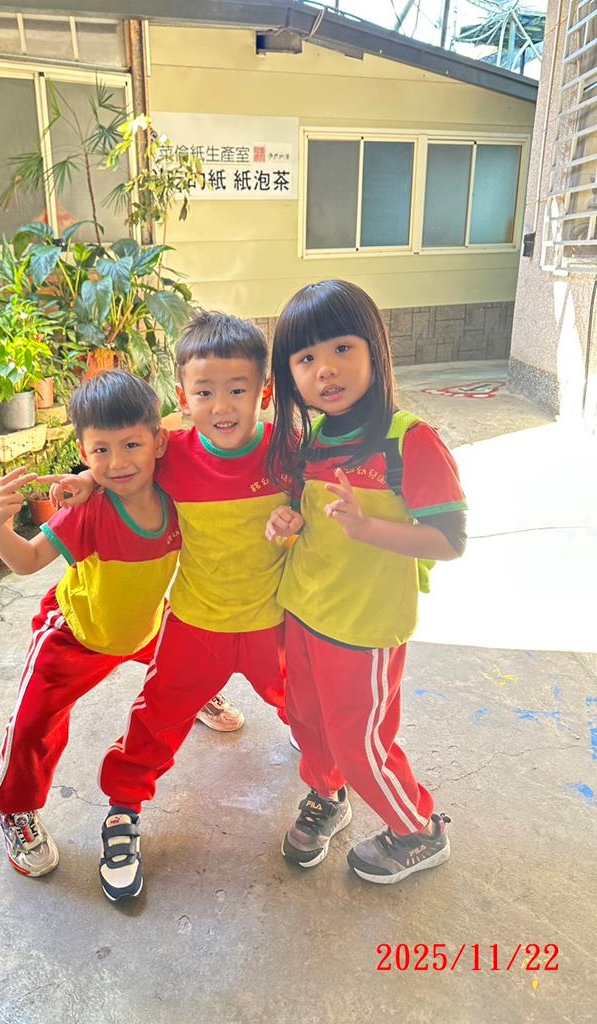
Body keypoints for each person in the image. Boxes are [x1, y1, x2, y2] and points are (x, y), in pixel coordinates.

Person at [48, 312, 290, 901]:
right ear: (183, 399)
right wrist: (90, 479)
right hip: (196, 624)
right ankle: (123, 810)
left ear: (265, 391)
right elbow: (121, 462)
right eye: (204, 392)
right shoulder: (172, 454)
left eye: (238, 389)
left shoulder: (288, 452)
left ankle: (329, 788)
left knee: (312, 709)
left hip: (274, 625)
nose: (222, 405)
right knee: (154, 720)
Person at [265, 279, 467, 884]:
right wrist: (289, 523)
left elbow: (450, 541)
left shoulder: (409, 441)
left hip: (365, 627)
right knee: (308, 722)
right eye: (306, 358)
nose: (325, 369)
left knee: (361, 743)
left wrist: (368, 529)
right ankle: (327, 796)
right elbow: (311, 520)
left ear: (375, 348)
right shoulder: (311, 442)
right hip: (305, 611)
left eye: (341, 348)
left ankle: (417, 829)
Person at [0, 370, 181, 881]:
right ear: (83, 450)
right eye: (101, 451)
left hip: (145, 625)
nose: (118, 463)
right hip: (78, 633)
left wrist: (91, 474)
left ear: (158, 441)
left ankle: (199, 695)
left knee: (190, 670)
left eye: (132, 444)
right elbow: (27, 560)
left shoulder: (177, 489)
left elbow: (195, 430)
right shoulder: (87, 510)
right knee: (33, 725)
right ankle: (15, 809)